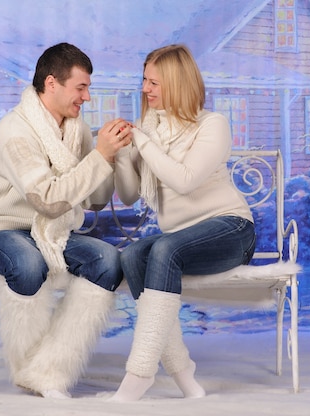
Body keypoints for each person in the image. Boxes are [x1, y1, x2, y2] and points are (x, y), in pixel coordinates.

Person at [0, 42, 133, 399]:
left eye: (88, 87)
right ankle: (27, 365)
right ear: (52, 83)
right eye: (81, 87)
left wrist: (110, 157)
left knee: (108, 261)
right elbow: (48, 199)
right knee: (28, 264)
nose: (87, 97)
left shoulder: (77, 131)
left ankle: (48, 368)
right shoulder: (15, 131)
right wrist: (98, 157)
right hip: (1, 227)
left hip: (54, 231)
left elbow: (95, 200)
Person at [110, 44, 257, 401]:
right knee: (132, 257)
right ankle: (182, 372)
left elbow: (185, 179)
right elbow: (129, 195)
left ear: (177, 82)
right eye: (144, 80)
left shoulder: (212, 125)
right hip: (181, 239)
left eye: (155, 82)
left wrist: (142, 144)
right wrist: (119, 156)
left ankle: (139, 374)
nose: (145, 89)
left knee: (163, 248)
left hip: (231, 230)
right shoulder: (152, 131)